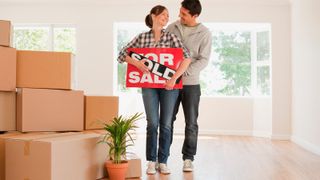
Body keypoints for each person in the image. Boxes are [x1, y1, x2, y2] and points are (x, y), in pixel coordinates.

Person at [117, 5, 191, 175]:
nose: (166, 18)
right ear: (153, 16)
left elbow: (187, 59)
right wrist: (137, 63)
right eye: (163, 15)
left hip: (169, 87)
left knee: (166, 125)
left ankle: (163, 161)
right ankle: (151, 161)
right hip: (149, 86)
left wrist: (173, 79)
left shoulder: (172, 37)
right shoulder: (142, 38)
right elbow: (122, 54)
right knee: (152, 124)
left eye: (167, 16)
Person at [166, 0, 212, 172]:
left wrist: (182, 72)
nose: (180, 16)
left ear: (195, 15)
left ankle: (188, 158)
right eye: (180, 12)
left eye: (184, 14)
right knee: (167, 121)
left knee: (191, 122)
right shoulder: (172, 28)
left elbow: (204, 59)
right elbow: (164, 51)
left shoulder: (204, 33)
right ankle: (163, 157)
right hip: (170, 83)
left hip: (191, 84)